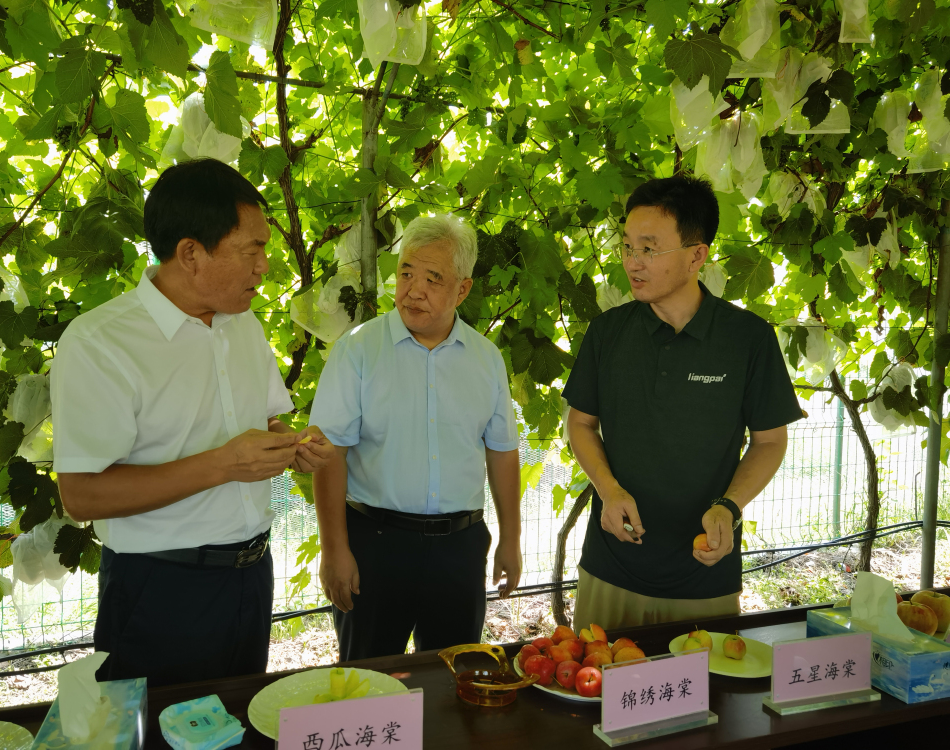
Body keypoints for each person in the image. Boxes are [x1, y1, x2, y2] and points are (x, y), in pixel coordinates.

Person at [51, 159, 334, 686]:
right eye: (252, 250)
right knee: (158, 726)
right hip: (160, 588)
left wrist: (293, 445)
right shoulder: (100, 342)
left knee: (238, 719)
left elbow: (266, 419)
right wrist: (223, 464)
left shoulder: (242, 325)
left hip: (251, 577)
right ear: (190, 253)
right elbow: (82, 495)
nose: (264, 267)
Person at [562, 176, 803, 633]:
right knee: (597, 679)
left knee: (705, 682)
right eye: (627, 246)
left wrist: (729, 507)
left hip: (704, 576)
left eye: (649, 249)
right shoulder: (607, 333)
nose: (633, 261)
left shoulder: (748, 339)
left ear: (697, 255)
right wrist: (609, 490)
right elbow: (580, 423)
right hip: (610, 567)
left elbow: (770, 441)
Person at [310, 214, 522, 661]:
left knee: (455, 677)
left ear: (462, 289)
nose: (414, 290)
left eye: (433, 278)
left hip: (459, 549)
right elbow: (329, 452)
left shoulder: (486, 360)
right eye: (406, 273)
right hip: (375, 545)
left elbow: (502, 451)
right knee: (367, 680)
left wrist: (511, 538)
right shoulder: (358, 350)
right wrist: (334, 550)